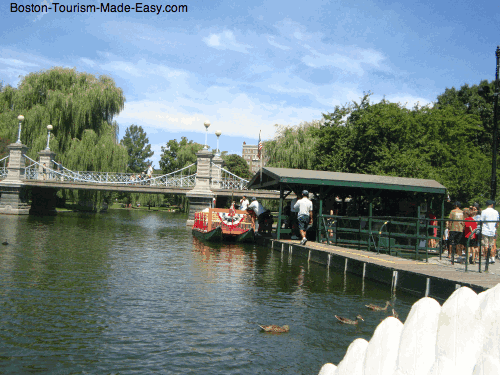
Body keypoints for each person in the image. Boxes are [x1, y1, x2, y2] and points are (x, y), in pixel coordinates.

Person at [480, 200, 499, 264]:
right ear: (492, 205)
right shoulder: (496, 212)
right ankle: (492, 258)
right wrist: (495, 227)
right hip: (492, 230)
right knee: (492, 245)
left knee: (485, 245)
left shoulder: (484, 211)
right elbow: (497, 222)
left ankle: (487, 258)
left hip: (485, 230)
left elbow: (481, 221)